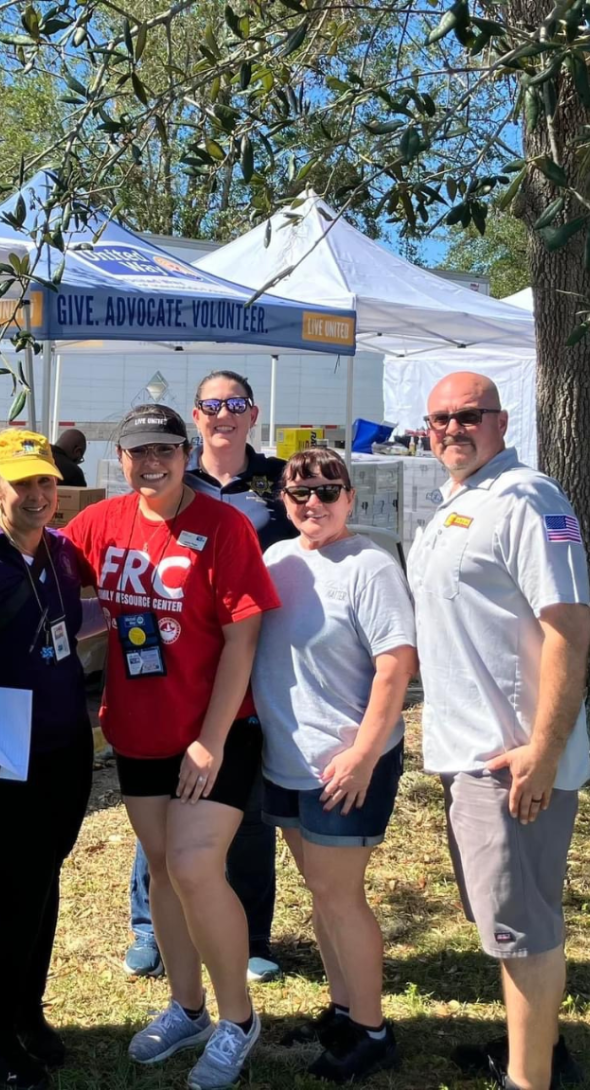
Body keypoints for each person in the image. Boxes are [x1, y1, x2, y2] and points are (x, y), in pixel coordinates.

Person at [64, 403, 281, 1090]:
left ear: (185, 454)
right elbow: (38, 561)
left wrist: (210, 740)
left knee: (192, 865)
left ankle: (237, 1020)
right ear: (120, 459)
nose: (151, 463)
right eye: (137, 452)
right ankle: (186, 1007)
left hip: (215, 732)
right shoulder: (100, 523)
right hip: (139, 729)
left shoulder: (223, 527)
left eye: (164, 450)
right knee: (161, 867)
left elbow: (245, 635)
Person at [407, 372, 590, 1090]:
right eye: (440, 419)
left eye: (469, 415)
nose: (453, 428)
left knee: (524, 927)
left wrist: (543, 752)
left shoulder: (528, 497)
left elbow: (570, 628)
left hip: (511, 760)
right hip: (469, 758)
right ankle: (536, 1049)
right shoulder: (462, 500)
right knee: (505, 920)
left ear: (501, 420)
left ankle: (530, 1078)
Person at [252, 448, 416, 1082]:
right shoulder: (278, 560)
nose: (312, 503)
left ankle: (372, 1031)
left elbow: (396, 666)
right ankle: (344, 1009)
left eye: (327, 491)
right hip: (288, 760)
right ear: (284, 502)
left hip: (345, 765)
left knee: (341, 898)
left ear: (350, 497)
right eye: (299, 494)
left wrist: (363, 755)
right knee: (322, 895)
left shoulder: (370, 566)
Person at [125, 370, 295, 984]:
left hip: (256, 664)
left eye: (235, 404)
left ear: (252, 414)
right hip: (169, 672)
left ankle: (250, 933)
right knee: (162, 814)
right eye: (210, 405)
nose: (223, 414)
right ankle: (149, 926)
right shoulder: (169, 473)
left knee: (246, 809)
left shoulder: (282, 484)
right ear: (194, 419)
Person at [0, 430, 95, 1090]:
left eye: (47, 483)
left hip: (63, 746)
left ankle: (27, 1014)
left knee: (46, 881)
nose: (36, 495)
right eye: (23, 483)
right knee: (19, 888)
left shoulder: (61, 553)